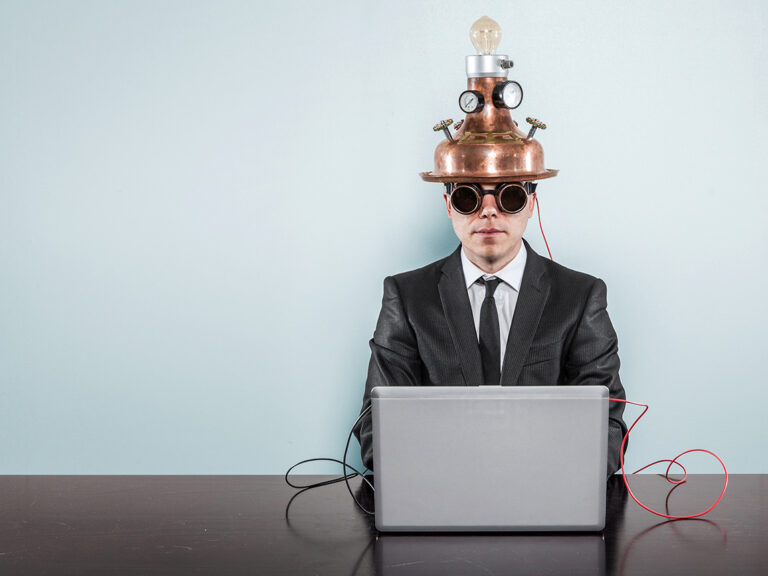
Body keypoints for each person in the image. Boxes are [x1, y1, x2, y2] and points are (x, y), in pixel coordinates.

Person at [353, 183, 628, 479]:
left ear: (531, 203)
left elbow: (607, 430)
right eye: (467, 197)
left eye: (509, 196)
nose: (488, 210)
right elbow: (376, 433)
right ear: (448, 205)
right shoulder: (406, 296)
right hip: (440, 490)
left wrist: (540, 478)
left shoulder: (581, 296)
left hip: (544, 488)